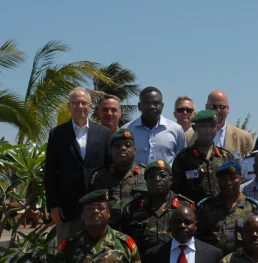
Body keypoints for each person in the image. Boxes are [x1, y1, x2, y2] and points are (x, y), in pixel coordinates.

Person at [45, 87, 111, 243]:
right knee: (67, 256)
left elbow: (109, 169)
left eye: (83, 103)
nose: (80, 106)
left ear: (90, 106)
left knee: (97, 254)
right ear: (69, 106)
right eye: (75, 103)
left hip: (97, 206)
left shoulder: (103, 133)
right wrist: (53, 205)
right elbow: (50, 172)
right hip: (67, 208)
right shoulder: (57, 134)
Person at [121, 160, 196, 257]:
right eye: (152, 177)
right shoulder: (132, 209)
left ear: (171, 180)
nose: (157, 179)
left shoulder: (186, 207)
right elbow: (124, 242)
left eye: (162, 175)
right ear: (146, 181)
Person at [195, 161, 258, 255]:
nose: (228, 183)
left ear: (241, 179)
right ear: (218, 181)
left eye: (233, 178)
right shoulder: (206, 207)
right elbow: (196, 239)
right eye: (223, 179)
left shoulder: (253, 208)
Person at [171, 110, 235, 204]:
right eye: (203, 126)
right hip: (193, 213)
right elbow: (175, 191)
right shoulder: (183, 158)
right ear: (194, 128)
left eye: (212, 126)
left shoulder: (226, 157)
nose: (208, 130)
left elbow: (233, 187)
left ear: (217, 128)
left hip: (219, 213)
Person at [88, 128, 147, 228]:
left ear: (135, 150)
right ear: (111, 151)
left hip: (139, 237)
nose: (123, 148)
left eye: (128, 145)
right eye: (117, 146)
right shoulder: (98, 176)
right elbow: (89, 208)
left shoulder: (146, 175)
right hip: (108, 238)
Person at [125, 86, 187, 166]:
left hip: (167, 178)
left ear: (162, 106)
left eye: (156, 103)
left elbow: (182, 160)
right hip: (136, 178)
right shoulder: (127, 129)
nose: (152, 107)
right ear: (139, 106)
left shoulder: (176, 129)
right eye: (147, 103)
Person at [185, 90, 254, 160]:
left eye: (222, 107)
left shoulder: (244, 138)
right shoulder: (188, 137)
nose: (218, 110)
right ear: (206, 107)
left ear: (228, 109)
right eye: (213, 106)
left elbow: (251, 167)